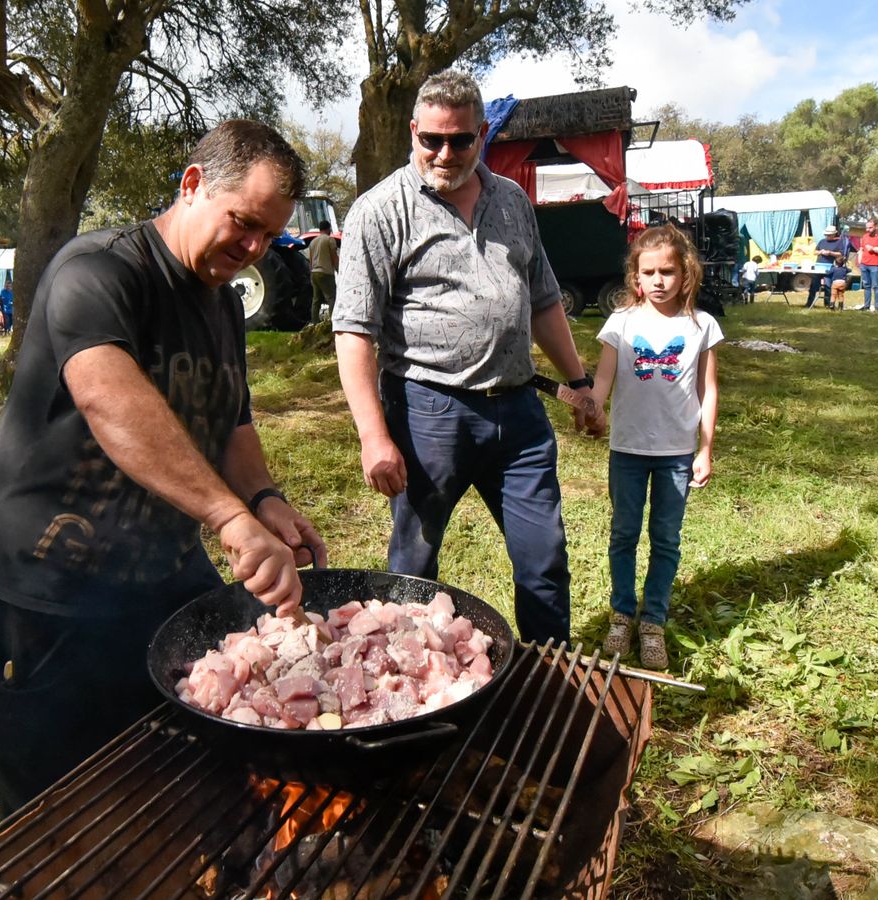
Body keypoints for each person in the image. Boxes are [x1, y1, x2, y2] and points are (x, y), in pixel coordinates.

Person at [0, 120, 328, 821]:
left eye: (268, 237)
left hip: (159, 567)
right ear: (192, 185)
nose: (253, 250)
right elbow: (109, 398)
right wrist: (230, 518)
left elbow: (232, 419)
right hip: (47, 575)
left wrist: (264, 499)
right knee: (57, 802)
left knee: (191, 752)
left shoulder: (223, 305)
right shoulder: (96, 270)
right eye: (243, 223)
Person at [333, 69, 599, 645]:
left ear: (482, 135)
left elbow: (543, 300)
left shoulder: (512, 200)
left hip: (519, 415)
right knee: (414, 564)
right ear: (414, 131)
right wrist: (373, 437)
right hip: (428, 413)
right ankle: (406, 675)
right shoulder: (380, 210)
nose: (445, 153)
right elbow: (353, 331)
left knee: (544, 558)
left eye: (460, 140)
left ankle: (546, 671)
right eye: (432, 139)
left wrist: (579, 382)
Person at [588, 225, 721, 669]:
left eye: (668, 271)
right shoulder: (621, 323)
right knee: (623, 534)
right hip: (626, 450)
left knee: (666, 539)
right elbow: (602, 379)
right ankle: (622, 615)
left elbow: (708, 389)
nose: (658, 280)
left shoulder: (702, 326)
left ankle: (653, 622)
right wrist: (593, 406)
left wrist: (705, 448)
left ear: (686, 273)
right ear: (636, 277)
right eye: (649, 273)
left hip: (677, 453)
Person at [805, 225, 854, 309]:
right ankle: (809, 303)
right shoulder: (822, 241)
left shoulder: (839, 242)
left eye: (829, 235)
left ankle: (828, 304)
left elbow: (841, 254)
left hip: (830, 267)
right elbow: (815, 252)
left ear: (834, 234)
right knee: (813, 285)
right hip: (819, 267)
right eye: (826, 235)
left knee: (828, 286)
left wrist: (830, 253)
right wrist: (820, 252)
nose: (827, 236)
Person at [307, 219, 338, 324]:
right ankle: (333, 322)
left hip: (314, 273)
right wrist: (338, 270)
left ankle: (314, 322)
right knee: (331, 297)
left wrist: (311, 274)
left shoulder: (313, 242)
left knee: (316, 300)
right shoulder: (330, 240)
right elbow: (334, 257)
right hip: (325, 273)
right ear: (329, 229)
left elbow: (310, 260)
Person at [856, 219, 878, 312]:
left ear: (876, 226)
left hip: (876, 265)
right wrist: (860, 262)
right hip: (864, 264)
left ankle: (877, 307)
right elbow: (861, 249)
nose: (867, 230)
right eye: (866, 227)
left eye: (870, 228)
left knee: (876, 286)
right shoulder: (865, 236)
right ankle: (866, 306)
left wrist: (874, 249)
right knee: (866, 286)